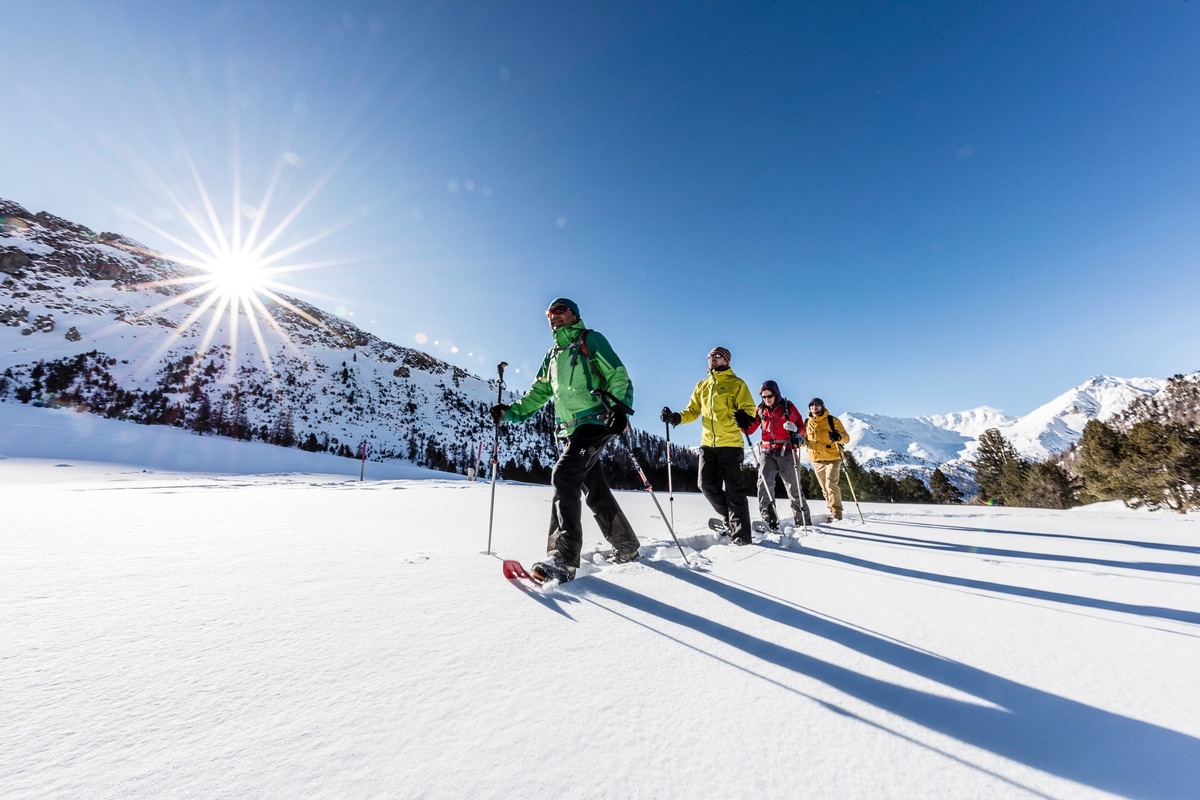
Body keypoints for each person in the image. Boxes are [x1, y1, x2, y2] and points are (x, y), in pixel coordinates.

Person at [489, 298, 640, 583]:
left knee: (564, 475)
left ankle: (563, 558)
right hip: (568, 430)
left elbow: (617, 374)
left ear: (574, 315)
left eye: (560, 310)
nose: (554, 316)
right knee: (594, 488)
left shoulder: (590, 340)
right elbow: (538, 392)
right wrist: (510, 413)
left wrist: (620, 409)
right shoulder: (553, 354)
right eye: (549, 312)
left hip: (595, 421)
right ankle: (626, 545)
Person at [660, 347, 758, 545]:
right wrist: (676, 417)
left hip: (730, 443)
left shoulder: (737, 384)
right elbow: (693, 410)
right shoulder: (702, 385)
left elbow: (749, 409)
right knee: (705, 485)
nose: (712, 359)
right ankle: (731, 517)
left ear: (726, 360)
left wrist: (745, 418)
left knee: (734, 490)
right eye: (709, 356)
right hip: (707, 444)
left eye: (716, 356)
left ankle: (741, 537)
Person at [744, 380, 812, 530]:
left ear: (776, 394)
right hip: (767, 453)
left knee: (794, 488)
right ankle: (769, 520)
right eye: (763, 397)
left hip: (787, 451)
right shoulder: (761, 410)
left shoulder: (788, 407)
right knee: (764, 486)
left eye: (769, 396)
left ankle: (803, 522)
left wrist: (795, 429)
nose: (767, 400)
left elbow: (802, 428)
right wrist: (742, 423)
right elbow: (750, 430)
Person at [804, 398, 851, 521]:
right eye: (812, 405)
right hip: (816, 459)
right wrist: (795, 438)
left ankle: (837, 513)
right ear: (809, 408)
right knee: (825, 488)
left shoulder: (832, 420)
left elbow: (846, 438)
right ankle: (831, 509)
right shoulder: (806, 423)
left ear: (822, 407)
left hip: (833, 458)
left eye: (817, 404)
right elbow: (803, 442)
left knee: (831, 484)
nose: (815, 407)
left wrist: (838, 437)